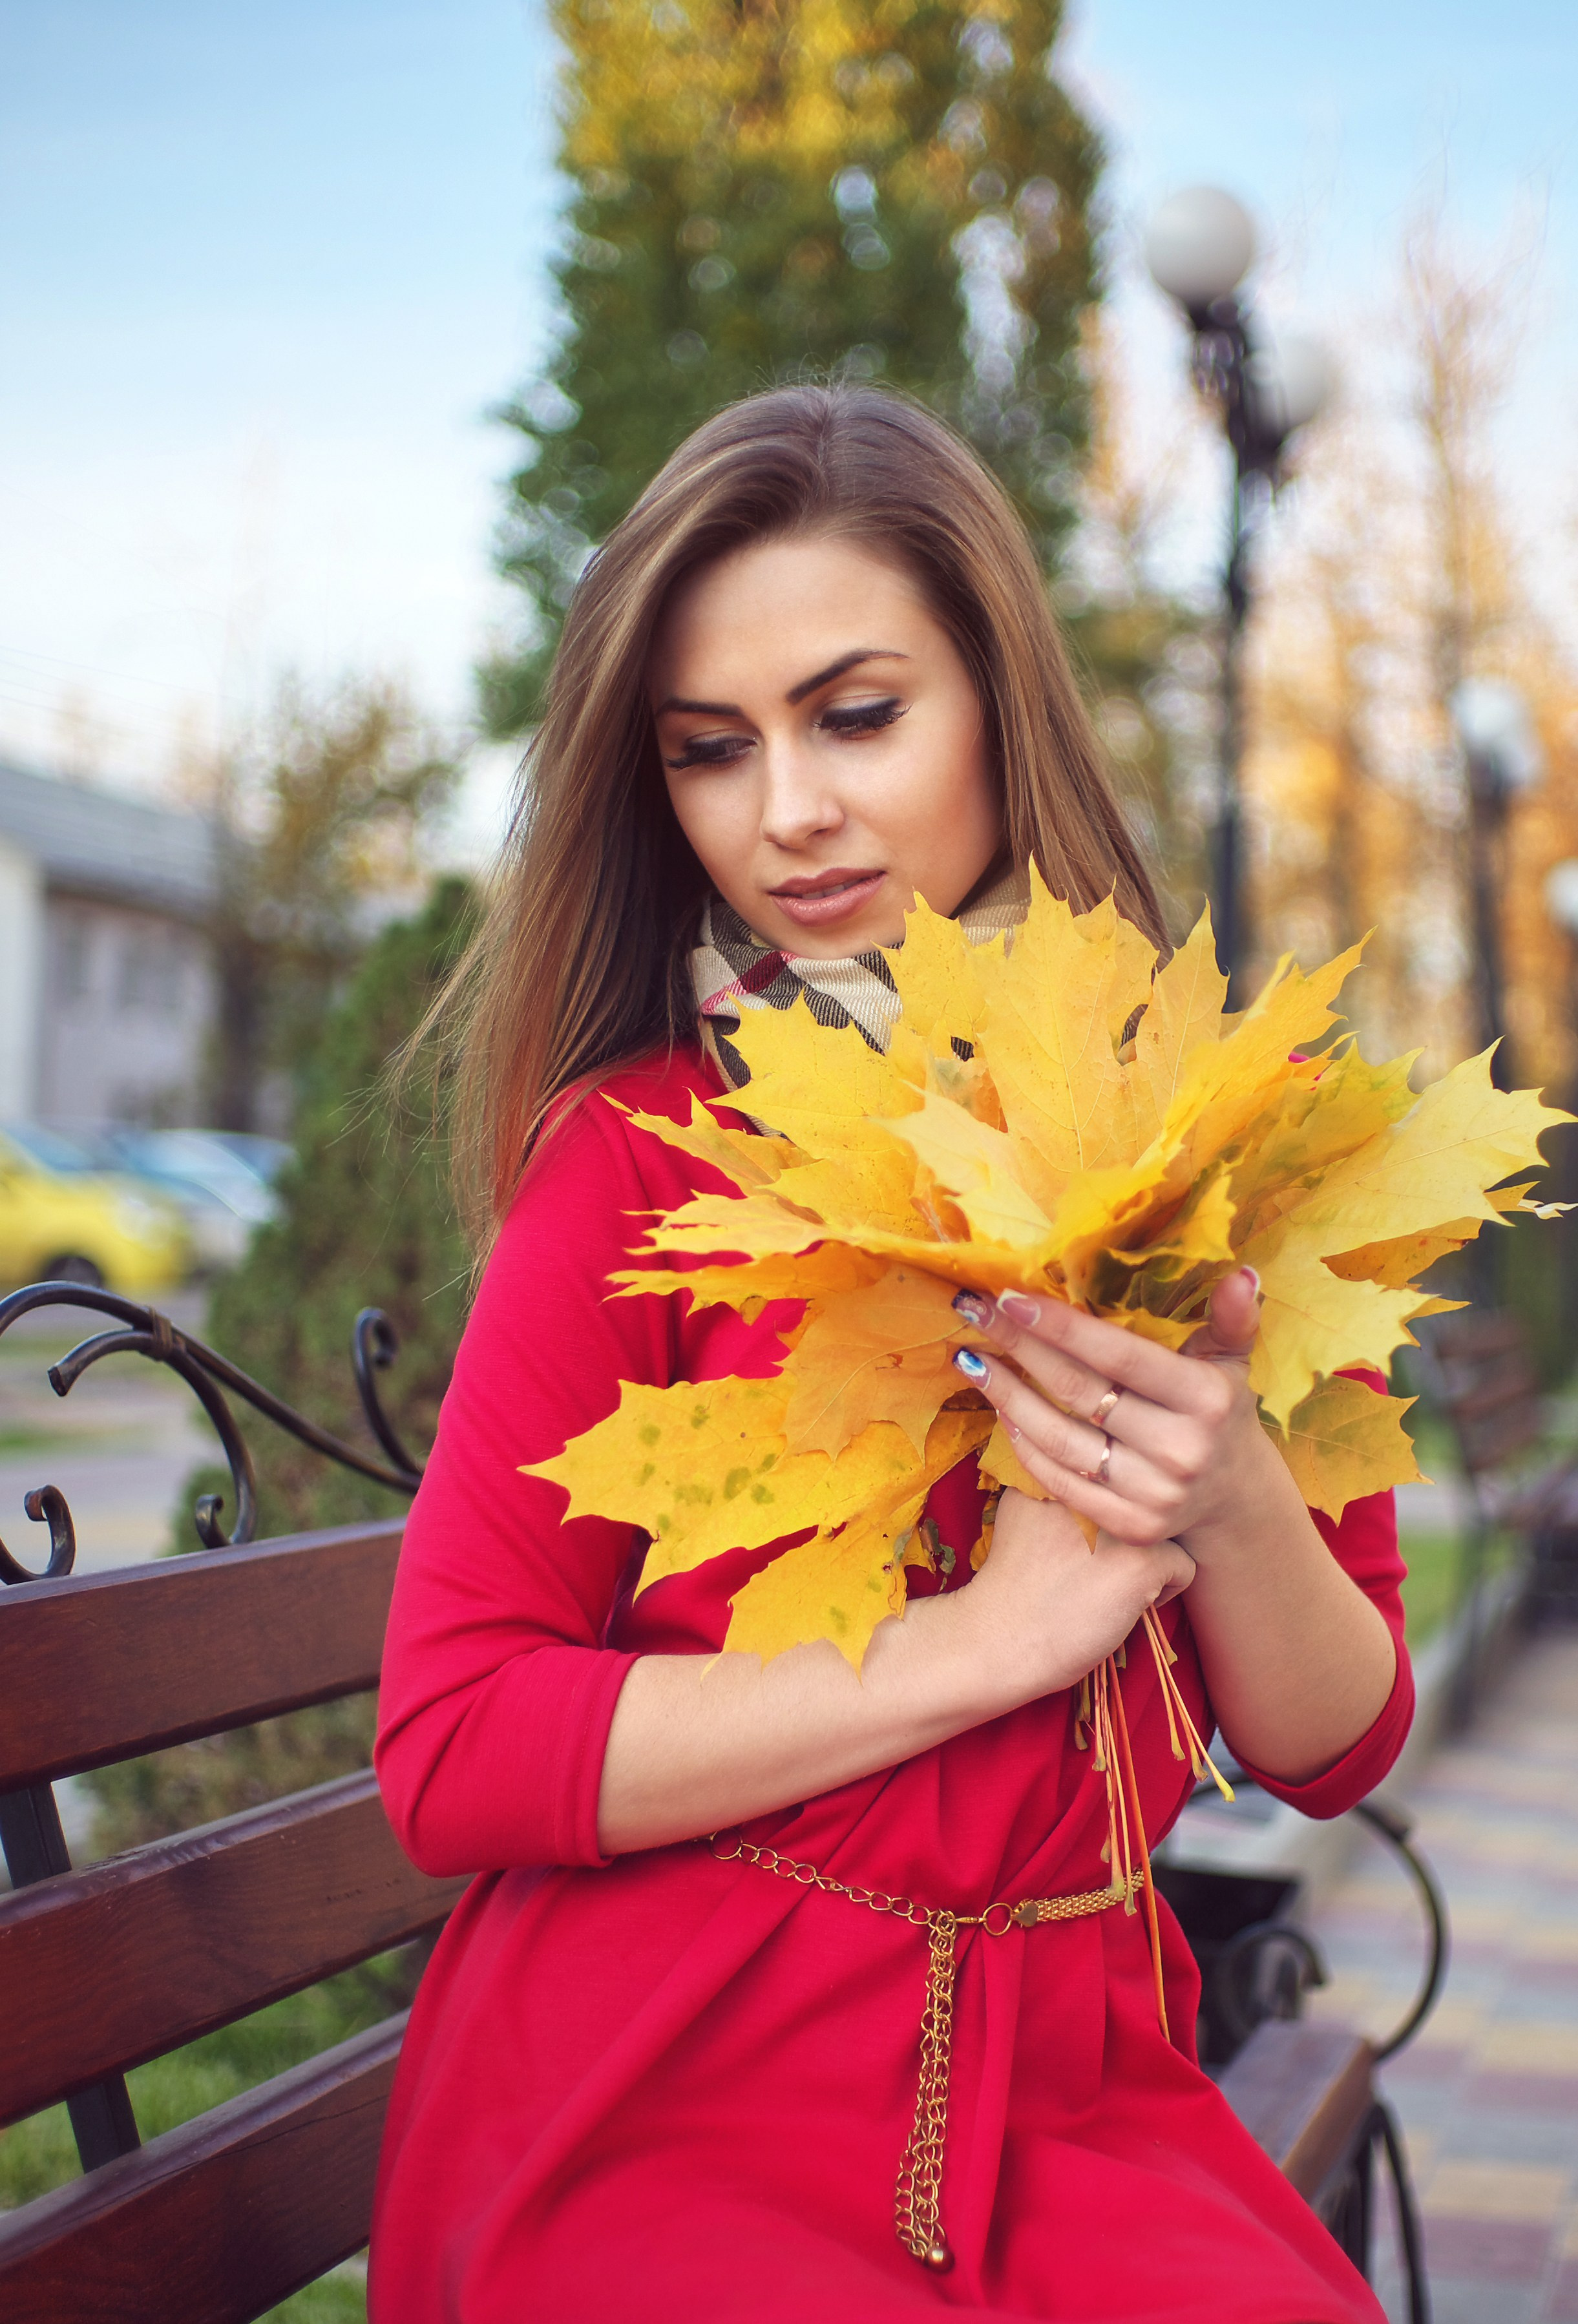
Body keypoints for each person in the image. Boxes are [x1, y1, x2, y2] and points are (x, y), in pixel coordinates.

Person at [369, 385, 1411, 2323]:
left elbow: (1334, 1739)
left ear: (999, 706)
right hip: (660, 2094)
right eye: (709, 751)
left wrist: (1226, 1489)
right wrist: (981, 1648)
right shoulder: (637, 1162)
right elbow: (449, 1749)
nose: (786, 812)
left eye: (855, 714)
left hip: (1079, 2100)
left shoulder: (1212, 1152)